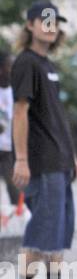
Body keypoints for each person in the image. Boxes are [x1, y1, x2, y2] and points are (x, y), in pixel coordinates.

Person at [10, 0, 77, 279]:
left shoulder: (48, 65)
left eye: (55, 22)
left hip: (60, 159)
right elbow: (19, 112)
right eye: (45, 21)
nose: (51, 27)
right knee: (43, 226)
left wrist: (72, 156)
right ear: (30, 25)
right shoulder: (26, 63)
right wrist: (22, 159)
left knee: (60, 228)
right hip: (41, 161)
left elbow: (56, 117)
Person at [0, 48, 17, 212]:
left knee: (15, 189)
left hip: (9, 150)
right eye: (10, 66)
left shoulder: (17, 92)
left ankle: (18, 227)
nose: (13, 70)